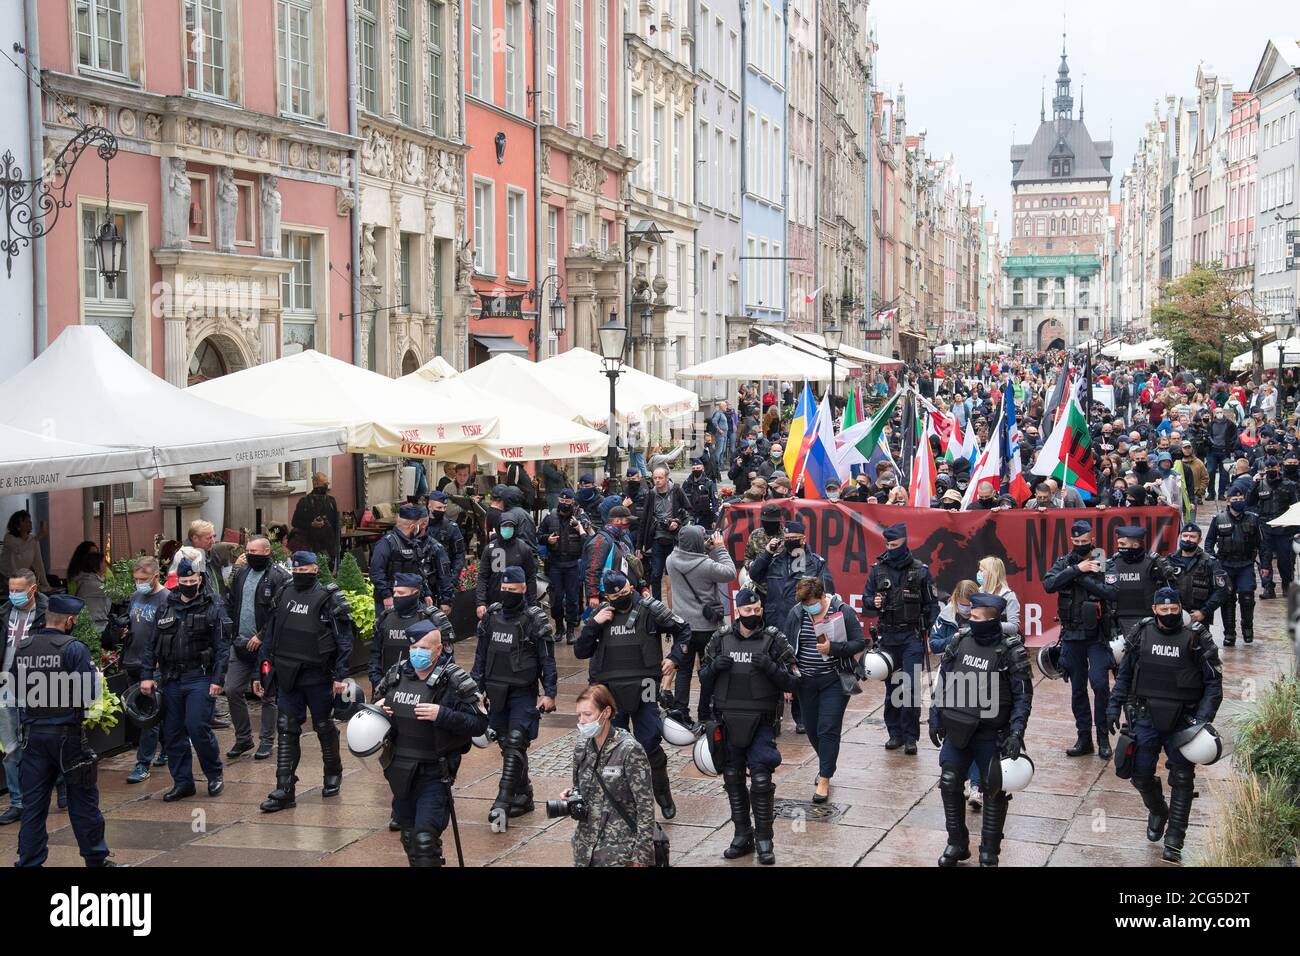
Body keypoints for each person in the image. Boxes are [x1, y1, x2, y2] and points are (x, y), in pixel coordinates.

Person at [1106, 588, 1223, 864]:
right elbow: (1124, 675)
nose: (1169, 614)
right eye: (1164, 609)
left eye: (1174, 610)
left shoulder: (1196, 637)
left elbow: (1213, 684)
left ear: (1179, 608)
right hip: (1145, 716)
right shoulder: (1141, 633)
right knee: (1139, 774)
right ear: (1155, 609)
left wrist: (1202, 721)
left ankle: (1175, 841)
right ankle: (1158, 810)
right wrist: (1114, 706)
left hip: (1184, 721)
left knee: (1182, 778)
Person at [11, 594, 122, 867]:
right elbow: (90, 697)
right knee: (82, 802)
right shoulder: (74, 648)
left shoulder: (23, 648)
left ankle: (29, 862)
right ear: (70, 620)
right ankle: (96, 859)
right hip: (67, 739)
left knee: (33, 806)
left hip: (32, 738)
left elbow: (13, 692)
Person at [573, 570, 689, 820]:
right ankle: (620, 803)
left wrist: (674, 658)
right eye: (618, 595)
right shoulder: (600, 614)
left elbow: (684, 630)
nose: (625, 597)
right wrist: (594, 625)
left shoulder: (650, 609)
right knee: (611, 748)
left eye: (627, 592)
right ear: (608, 596)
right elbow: (581, 652)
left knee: (649, 744)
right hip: (610, 691)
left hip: (645, 684)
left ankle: (662, 792)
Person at [929, 592, 1033, 867]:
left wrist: (1016, 733)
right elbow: (944, 678)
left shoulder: (1011, 650)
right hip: (958, 727)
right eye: (970, 616)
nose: (970, 620)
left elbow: (1023, 697)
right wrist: (935, 715)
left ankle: (990, 850)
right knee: (950, 781)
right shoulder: (960, 641)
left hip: (992, 733)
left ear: (992, 619)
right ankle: (957, 843)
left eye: (976, 617)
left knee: (993, 789)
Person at [374, 619, 487, 866]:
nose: (417, 653)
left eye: (424, 648)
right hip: (400, 768)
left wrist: (442, 714)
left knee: (425, 839)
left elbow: (479, 723)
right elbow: (374, 707)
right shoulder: (396, 674)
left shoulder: (455, 680)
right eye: (413, 648)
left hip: (435, 771)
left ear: (439, 649)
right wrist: (379, 709)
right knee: (409, 837)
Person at [699, 588, 800, 864]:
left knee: (761, 778)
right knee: (732, 777)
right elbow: (703, 678)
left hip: (761, 721)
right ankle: (742, 835)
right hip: (728, 719)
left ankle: (765, 839)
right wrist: (714, 669)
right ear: (738, 612)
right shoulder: (719, 640)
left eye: (757, 610)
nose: (754, 615)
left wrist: (771, 668)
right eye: (748, 611)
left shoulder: (774, 640)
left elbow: (794, 681)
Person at [254, 551, 354, 812]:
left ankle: (333, 772)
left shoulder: (329, 598)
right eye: (296, 570)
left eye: (305, 570)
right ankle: (284, 788)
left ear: (315, 569)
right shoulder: (284, 593)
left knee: (323, 725)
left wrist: (340, 676)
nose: (299, 574)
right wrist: (262, 673)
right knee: (286, 728)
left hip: (318, 675)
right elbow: (270, 633)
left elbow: (344, 640)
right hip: (287, 673)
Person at [470, 566, 557, 829]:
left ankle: (503, 802)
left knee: (516, 740)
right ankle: (524, 794)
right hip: (496, 690)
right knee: (507, 743)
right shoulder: (492, 617)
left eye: (513, 590)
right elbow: (481, 655)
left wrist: (550, 693)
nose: (507, 593)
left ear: (524, 590)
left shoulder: (534, 619)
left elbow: (547, 660)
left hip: (522, 690)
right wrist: (476, 689)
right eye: (504, 589)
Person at [140, 552, 231, 801]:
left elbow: (222, 647)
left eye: (193, 582)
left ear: (200, 580)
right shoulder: (166, 605)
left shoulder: (213, 605)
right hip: (171, 678)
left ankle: (214, 774)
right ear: (177, 581)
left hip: (200, 676)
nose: (189, 587)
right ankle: (183, 782)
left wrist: (217, 680)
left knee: (197, 726)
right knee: (172, 732)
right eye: (184, 583)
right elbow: (151, 644)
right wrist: (146, 675)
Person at [784, 577, 864, 805]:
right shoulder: (797, 613)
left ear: (821, 596)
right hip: (806, 682)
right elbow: (787, 647)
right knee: (811, 729)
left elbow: (859, 643)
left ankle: (825, 778)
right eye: (804, 604)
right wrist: (788, 680)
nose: (809, 608)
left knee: (828, 728)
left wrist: (834, 648)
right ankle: (826, 762)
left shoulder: (842, 611)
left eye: (811, 603)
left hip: (834, 680)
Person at [1044, 520, 1118, 758]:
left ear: (1092, 540)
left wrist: (1082, 574)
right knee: (1077, 689)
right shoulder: (1065, 561)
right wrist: (1076, 570)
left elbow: (1110, 592)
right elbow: (1048, 584)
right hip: (1072, 635)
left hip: (1097, 636)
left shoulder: (1102, 559)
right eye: (1075, 542)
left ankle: (1103, 737)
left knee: (1099, 685)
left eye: (1084, 542)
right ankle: (1083, 737)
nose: (1079, 545)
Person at [862, 523, 939, 755]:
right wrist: (872, 602)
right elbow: (866, 597)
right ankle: (894, 732)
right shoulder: (878, 569)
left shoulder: (920, 570)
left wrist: (931, 632)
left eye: (894, 545)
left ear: (905, 543)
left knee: (911, 687)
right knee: (892, 686)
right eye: (887, 544)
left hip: (911, 636)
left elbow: (932, 605)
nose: (890, 548)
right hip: (887, 636)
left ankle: (910, 736)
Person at [564, 683, 656, 867]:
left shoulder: (629, 750)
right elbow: (579, 787)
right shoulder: (581, 748)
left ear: (605, 713)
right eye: (579, 715)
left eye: (587, 714)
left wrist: (641, 856)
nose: (581, 721)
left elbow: (645, 806)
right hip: (585, 849)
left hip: (619, 852)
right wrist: (571, 794)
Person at [224, 537, 288, 763]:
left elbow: (279, 614)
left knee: (267, 695)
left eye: (254, 551)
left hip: (266, 648)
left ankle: (267, 741)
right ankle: (243, 738)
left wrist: (261, 636)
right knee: (232, 689)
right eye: (248, 550)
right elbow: (231, 602)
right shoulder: (242, 574)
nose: (250, 554)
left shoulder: (279, 577)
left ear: (267, 551)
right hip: (240, 643)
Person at [665, 525, 736, 725]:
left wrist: (704, 547)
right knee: (708, 670)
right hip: (707, 627)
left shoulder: (671, 561)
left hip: (683, 628)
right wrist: (720, 549)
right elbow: (729, 572)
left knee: (684, 670)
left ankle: (681, 712)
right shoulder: (707, 565)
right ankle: (705, 712)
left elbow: (689, 555)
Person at [0, 569, 46, 824]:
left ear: (33, 588)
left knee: (39, 745)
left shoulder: (48, 612)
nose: (14, 595)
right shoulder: (4, 612)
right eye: (11, 590)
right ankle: (17, 802)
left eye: (19, 590)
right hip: (5, 685)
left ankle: (51, 790)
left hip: (37, 687)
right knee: (11, 748)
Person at [119, 558, 170, 782]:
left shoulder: (166, 599)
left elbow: (169, 633)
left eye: (143, 579)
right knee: (149, 712)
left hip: (154, 666)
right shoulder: (135, 597)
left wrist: (160, 660)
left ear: (155, 576)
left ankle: (143, 763)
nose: (139, 583)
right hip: (133, 660)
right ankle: (168, 746)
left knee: (147, 715)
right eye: (136, 579)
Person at [1205, 483, 1263, 646]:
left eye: (1241, 498)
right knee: (1227, 599)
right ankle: (1229, 633)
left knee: (1247, 596)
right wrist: (1213, 560)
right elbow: (1209, 542)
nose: (1238, 501)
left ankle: (1247, 628)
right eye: (1235, 498)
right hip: (1225, 565)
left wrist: (1264, 566)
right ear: (1228, 501)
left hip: (1245, 564)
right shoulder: (1218, 519)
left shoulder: (1253, 518)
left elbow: (1262, 545)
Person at [1106, 525, 1177, 647]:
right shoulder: (1112, 564)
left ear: (1135, 545)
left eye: (1123, 544)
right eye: (1119, 544)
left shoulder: (1153, 564)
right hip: (1120, 620)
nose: (1119, 548)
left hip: (1148, 620)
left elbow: (1171, 591)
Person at [538, 489, 593, 643]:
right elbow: (539, 535)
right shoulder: (550, 517)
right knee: (556, 599)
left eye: (567, 501)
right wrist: (547, 539)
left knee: (572, 598)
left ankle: (570, 630)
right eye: (561, 501)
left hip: (572, 565)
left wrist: (580, 529)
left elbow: (589, 542)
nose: (564, 504)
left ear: (572, 501)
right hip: (555, 564)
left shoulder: (580, 518)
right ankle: (558, 627)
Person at [370, 504, 433, 621]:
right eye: (419, 525)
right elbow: (376, 573)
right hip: (390, 599)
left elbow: (419, 571)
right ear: (413, 526)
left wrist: (426, 593)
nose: (422, 528)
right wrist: (386, 595)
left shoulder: (414, 543)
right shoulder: (386, 544)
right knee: (387, 634)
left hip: (411, 601)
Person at [637, 465, 689, 601]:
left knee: (673, 574)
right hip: (657, 538)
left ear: (667, 478)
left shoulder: (676, 490)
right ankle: (657, 605)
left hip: (674, 539)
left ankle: (676, 605)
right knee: (655, 574)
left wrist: (677, 522)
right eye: (655, 478)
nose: (657, 480)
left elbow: (689, 511)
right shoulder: (651, 494)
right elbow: (644, 520)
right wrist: (639, 545)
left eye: (660, 477)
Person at [1248, 457, 1297, 599]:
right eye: (1268, 468)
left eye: (1273, 467)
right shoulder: (1260, 485)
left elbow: (1296, 508)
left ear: (1278, 468)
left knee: (1285, 560)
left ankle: (1287, 585)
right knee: (1265, 558)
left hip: (1284, 528)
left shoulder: (1289, 485)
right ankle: (1268, 587)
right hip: (1265, 528)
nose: (1270, 470)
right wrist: (1254, 484)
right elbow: (1249, 502)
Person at [475, 514, 539, 617]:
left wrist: (532, 605)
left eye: (510, 526)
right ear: (498, 527)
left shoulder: (523, 548)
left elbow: (530, 577)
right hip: (495, 601)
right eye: (504, 526)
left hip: (518, 603)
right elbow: (483, 576)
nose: (507, 529)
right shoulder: (490, 548)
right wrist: (480, 602)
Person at [1169, 523, 1230, 629]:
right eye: (1185, 536)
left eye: (1192, 537)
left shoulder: (1210, 562)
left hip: (1199, 618)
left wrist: (1204, 612)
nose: (1187, 539)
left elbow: (1223, 590)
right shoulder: (1169, 561)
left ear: (1199, 540)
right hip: (1173, 616)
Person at [291, 472, 340, 568]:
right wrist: (311, 524)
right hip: (310, 544)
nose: (326, 486)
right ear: (316, 484)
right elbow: (295, 522)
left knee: (328, 570)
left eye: (327, 484)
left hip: (328, 544)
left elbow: (335, 522)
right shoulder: (304, 502)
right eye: (325, 484)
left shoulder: (331, 501)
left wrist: (336, 543)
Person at [424, 491, 467, 583]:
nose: (442, 510)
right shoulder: (421, 525)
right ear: (430, 506)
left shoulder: (451, 527)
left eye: (445, 507)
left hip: (444, 576)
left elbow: (459, 554)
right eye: (439, 507)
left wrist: (454, 577)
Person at [0, 511, 49, 590]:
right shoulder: (9, 537)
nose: (30, 522)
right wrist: (36, 539)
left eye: (29, 520)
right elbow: (19, 549)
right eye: (25, 521)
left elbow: (38, 563)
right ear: (17, 525)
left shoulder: (32, 539)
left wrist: (46, 584)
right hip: (4, 577)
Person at [67, 542, 110, 632]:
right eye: (103, 562)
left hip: (94, 624)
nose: (106, 565)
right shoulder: (92, 584)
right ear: (95, 565)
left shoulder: (88, 580)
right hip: (94, 627)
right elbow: (119, 594)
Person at [187, 520, 228, 601]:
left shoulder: (211, 552)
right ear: (195, 539)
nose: (213, 541)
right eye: (209, 538)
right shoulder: (185, 558)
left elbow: (220, 582)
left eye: (214, 536)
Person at [682, 457, 720, 530]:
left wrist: (715, 520)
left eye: (698, 468)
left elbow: (715, 503)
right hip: (690, 517)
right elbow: (681, 501)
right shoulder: (686, 484)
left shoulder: (709, 483)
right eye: (694, 469)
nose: (696, 470)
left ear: (702, 469)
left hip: (705, 518)